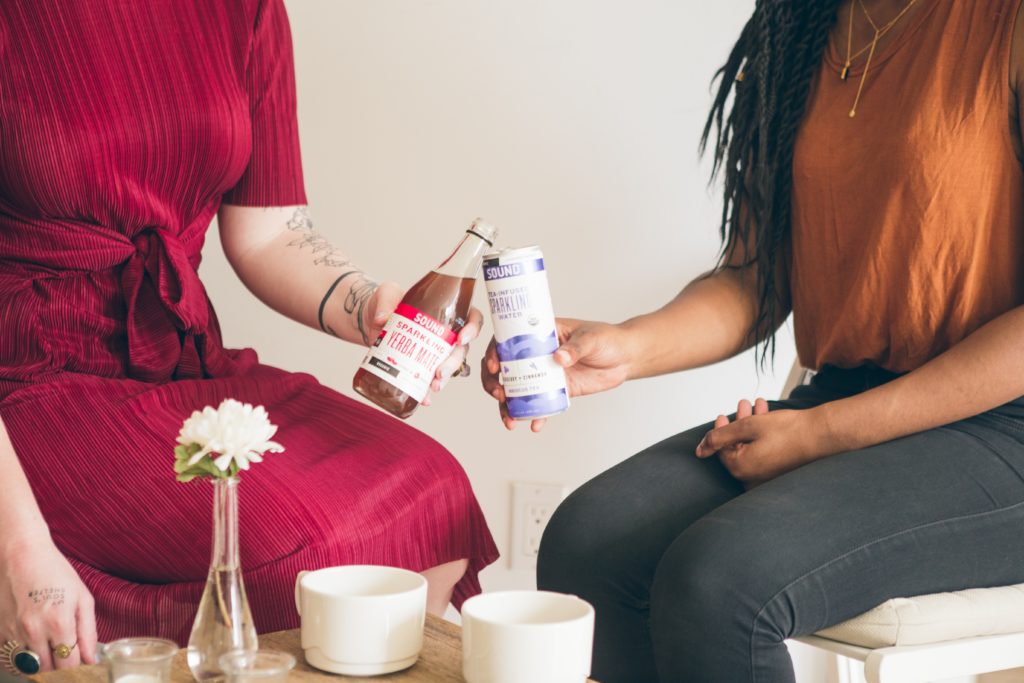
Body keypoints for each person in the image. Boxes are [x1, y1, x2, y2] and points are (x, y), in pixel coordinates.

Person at [483, 1, 1024, 681]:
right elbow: (756, 275)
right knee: (587, 541)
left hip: (1006, 428)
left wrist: (821, 431)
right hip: (850, 395)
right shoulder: (800, 26)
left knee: (719, 582)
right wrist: (625, 347)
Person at [0, 0, 498, 673]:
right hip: (29, 378)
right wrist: (19, 545)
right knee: (315, 550)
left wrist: (374, 308)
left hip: (181, 360)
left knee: (432, 491)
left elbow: (269, 230)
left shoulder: (246, 9)